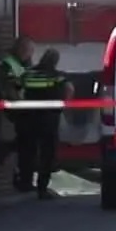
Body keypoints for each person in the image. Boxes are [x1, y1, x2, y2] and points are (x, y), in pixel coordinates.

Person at [18, 48, 70, 198]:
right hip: (49, 119)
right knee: (47, 154)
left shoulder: (28, 73)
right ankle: (42, 188)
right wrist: (64, 105)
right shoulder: (57, 77)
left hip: (28, 117)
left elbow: (17, 89)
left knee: (28, 151)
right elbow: (68, 89)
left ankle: (25, 182)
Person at [0, 35, 38, 172]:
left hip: (23, 105)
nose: (29, 55)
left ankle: (11, 151)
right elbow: (8, 87)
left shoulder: (23, 63)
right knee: (29, 139)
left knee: (29, 139)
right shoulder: (8, 63)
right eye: (28, 51)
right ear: (20, 49)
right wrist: (20, 104)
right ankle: (9, 149)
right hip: (16, 106)